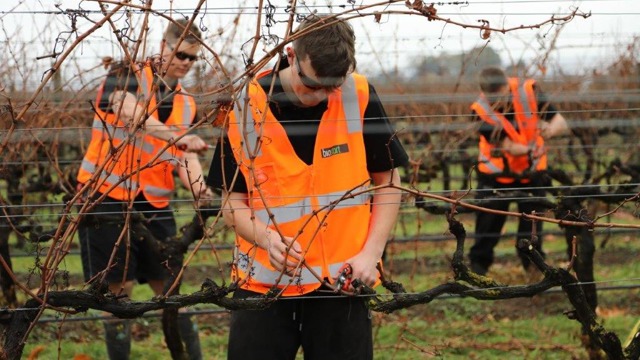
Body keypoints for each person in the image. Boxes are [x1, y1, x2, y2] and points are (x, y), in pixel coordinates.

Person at [206, 15, 408, 360]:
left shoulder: (358, 94)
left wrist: (371, 255)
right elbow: (232, 201)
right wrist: (266, 237)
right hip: (263, 287)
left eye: (333, 85)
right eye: (313, 85)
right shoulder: (246, 105)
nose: (323, 96)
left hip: (342, 283)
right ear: (291, 55)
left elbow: (388, 182)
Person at [76, 18, 210, 359]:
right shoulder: (126, 73)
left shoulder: (186, 103)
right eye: (180, 54)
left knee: (173, 291)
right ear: (163, 46)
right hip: (106, 197)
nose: (185, 62)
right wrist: (180, 138)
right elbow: (128, 111)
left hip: (154, 205)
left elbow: (185, 157)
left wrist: (202, 193)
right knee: (117, 297)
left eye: (193, 58)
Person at [468, 66, 569, 276]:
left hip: (532, 174)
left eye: (500, 95)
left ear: (507, 84)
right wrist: (531, 149)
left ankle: (533, 270)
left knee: (532, 230)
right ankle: (477, 270)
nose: (497, 102)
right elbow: (509, 147)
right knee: (487, 228)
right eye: (492, 97)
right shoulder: (479, 111)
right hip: (495, 176)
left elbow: (560, 121)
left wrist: (550, 130)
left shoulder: (529, 91)